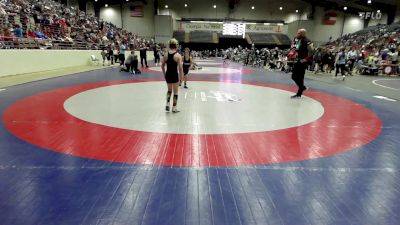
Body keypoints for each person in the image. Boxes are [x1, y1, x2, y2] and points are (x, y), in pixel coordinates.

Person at [161, 38, 184, 113]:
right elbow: (180, 68)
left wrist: (164, 74)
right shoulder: (178, 55)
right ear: (176, 45)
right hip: (174, 74)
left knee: (169, 90)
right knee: (176, 92)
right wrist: (181, 78)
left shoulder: (165, 54)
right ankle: (174, 107)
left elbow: (162, 66)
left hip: (168, 74)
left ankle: (167, 104)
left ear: (169, 45)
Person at [290, 28, 314, 98]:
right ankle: (302, 87)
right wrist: (292, 55)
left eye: (299, 33)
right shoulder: (296, 39)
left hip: (303, 62)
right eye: (297, 33)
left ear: (303, 34)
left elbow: (312, 51)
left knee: (300, 77)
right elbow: (294, 48)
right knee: (293, 76)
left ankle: (299, 93)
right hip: (297, 60)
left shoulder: (307, 41)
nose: (297, 34)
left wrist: (305, 59)